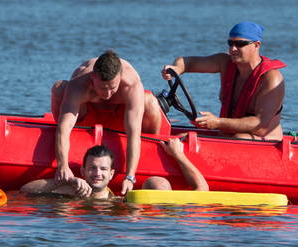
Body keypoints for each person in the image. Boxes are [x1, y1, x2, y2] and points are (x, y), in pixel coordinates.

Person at [52, 49, 161, 195]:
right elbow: (63, 128)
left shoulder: (131, 86)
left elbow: (134, 134)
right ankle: (70, 146)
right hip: (87, 119)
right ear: (92, 77)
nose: (107, 94)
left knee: (151, 102)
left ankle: (153, 155)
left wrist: (130, 176)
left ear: (121, 77)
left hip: (119, 118)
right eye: (102, 87)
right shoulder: (79, 86)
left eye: (112, 87)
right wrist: (63, 165)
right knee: (59, 88)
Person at [161, 21, 285, 140]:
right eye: (230, 43)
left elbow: (260, 125)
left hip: (266, 142)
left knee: (240, 138)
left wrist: (218, 122)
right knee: (182, 137)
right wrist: (176, 68)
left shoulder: (271, 79)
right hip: (227, 138)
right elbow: (188, 62)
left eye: (240, 44)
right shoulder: (224, 62)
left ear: (256, 46)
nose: (233, 49)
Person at [21, 144, 119, 200]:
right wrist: (67, 181)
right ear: (82, 170)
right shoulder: (67, 191)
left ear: (111, 174)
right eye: (92, 167)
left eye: (103, 169)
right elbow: (24, 190)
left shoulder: (116, 201)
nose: (97, 173)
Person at [142, 137, 209, 192]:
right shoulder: (182, 206)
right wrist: (178, 154)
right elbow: (203, 189)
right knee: (159, 183)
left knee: (156, 183)